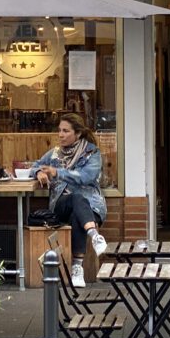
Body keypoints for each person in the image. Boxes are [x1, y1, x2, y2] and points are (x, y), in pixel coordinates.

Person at [30, 112, 107, 288]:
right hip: (61, 203)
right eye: (59, 130)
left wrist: (58, 172)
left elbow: (86, 177)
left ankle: (77, 268)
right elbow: (34, 165)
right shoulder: (55, 153)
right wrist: (39, 172)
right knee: (75, 199)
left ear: (78, 133)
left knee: (77, 214)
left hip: (91, 206)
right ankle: (94, 235)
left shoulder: (92, 153)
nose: (60, 135)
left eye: (66, 131)